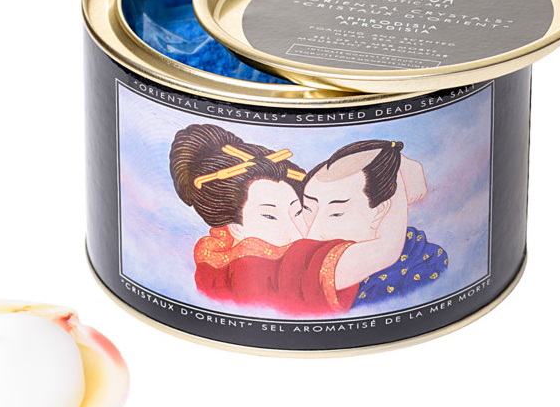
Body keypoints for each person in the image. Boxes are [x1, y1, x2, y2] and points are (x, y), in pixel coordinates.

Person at [169, 124, 409, 316]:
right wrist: (396, 178)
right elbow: (385, 250)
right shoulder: (276, 267)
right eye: (269, 216)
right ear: (235, 227)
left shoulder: (217, 259)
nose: (297, 232)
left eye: (298, 212)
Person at [302, 141, 448, 307]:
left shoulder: (425, 263)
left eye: (336, 213)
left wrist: (394, 168)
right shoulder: (306, 261)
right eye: (306, 209)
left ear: (380, 211)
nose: (313, 233)